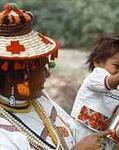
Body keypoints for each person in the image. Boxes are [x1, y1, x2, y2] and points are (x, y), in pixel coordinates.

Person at [0, 3, 110, 150]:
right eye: (42, 68)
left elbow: (72, 132)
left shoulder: (40, 100)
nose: (48, 74)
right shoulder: (4, 137)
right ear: (16, 76)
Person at [70, 34, 119, 149]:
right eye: (117, 66)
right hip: (79, 134)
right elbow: (108, 82)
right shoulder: (95, 77)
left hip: (100, 140)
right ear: (97, 62)